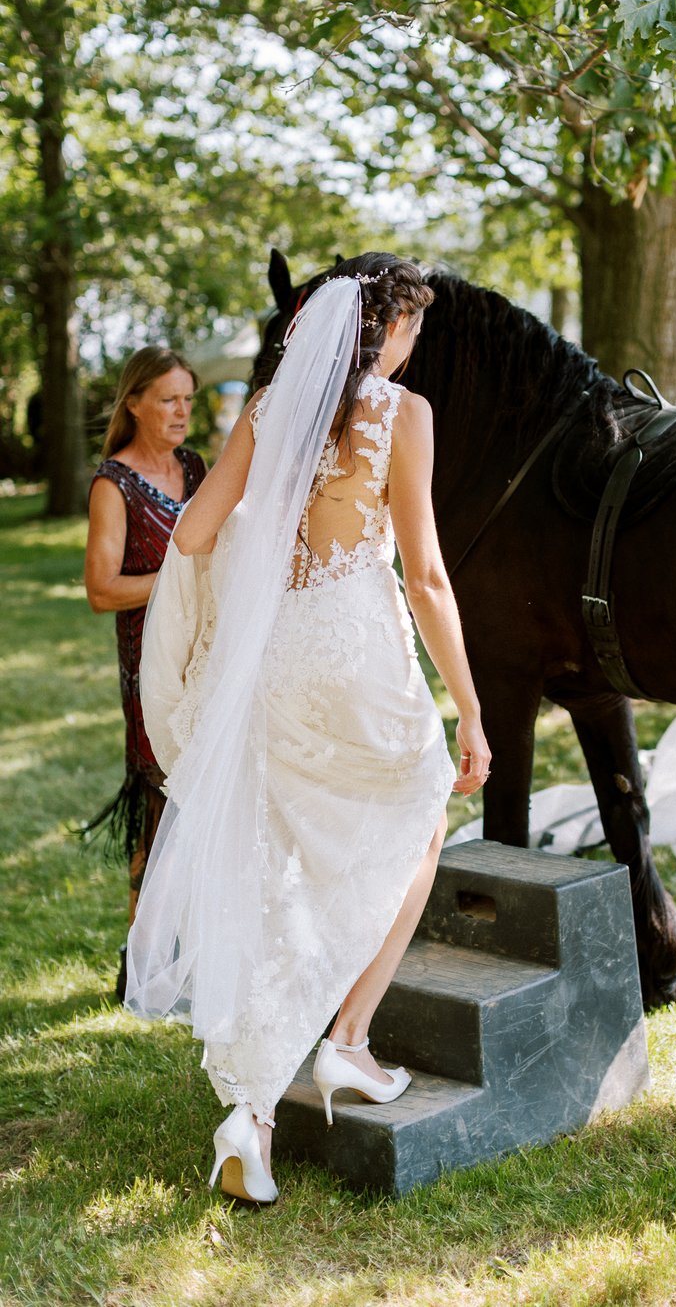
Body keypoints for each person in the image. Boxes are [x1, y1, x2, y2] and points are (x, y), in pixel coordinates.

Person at [127, 254, 491, 1205]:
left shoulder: (267, 411)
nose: (416, 347)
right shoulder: (402, 416)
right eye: (413, 328)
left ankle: (251, 1113)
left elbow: (197, 534)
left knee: (281, 853)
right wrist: (471, 704)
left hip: (278, 656)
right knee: (418, 823)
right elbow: (427, 578)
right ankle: (348, 1043)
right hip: (360, 651)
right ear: (387, 329)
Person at [84, 347, 206, 1000]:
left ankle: (196, 949)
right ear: (134, 403)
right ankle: (141, 963)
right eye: (168, 399)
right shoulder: (114, 482)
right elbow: (102, 589)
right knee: (159, 801)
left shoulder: (194, 466)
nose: (182, 411)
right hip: (148, 662)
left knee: (204, 795)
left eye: (188, 398)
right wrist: (178, 579)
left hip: (205, 654)